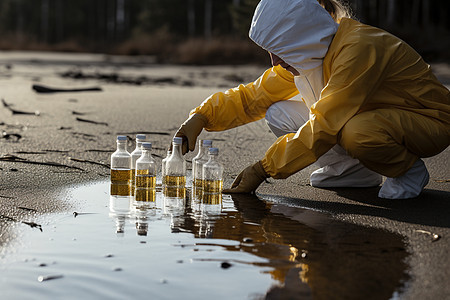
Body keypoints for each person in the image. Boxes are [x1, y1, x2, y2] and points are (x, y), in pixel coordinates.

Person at [174, 0, 450, 199]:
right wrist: (201, 116)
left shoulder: (359, 48)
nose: (275, 61)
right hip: (373, 115)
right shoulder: (312, 55)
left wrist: (263, 169)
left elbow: (325, 124)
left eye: (282, 49)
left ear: (302, 39)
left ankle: (408, 171)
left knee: (358, 132)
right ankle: (351, 172)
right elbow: (253, 96)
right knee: (279, 112)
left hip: (429, 120)